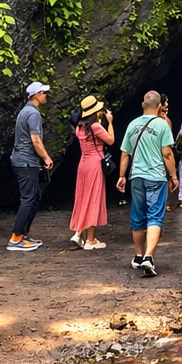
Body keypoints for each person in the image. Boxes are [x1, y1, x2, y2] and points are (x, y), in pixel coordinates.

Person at [117, 90, 177, 277]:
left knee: (137, 217)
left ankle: (138, 255)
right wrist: (173, 175)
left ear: (143, 105)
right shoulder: (161, 125)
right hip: (156, 177)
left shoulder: (132, 125)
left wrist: (121, 176)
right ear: (160, 107)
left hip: (136, 177)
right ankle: (148, 257)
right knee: (154, 216)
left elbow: (125, 153)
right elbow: (167, 153)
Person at [8, 81, 53, 251]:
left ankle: (22, 235)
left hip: (24, 160)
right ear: (35, 95)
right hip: (26, 161)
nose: (45, 95)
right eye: (43, 93)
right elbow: (35, 139)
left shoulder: (25, 112)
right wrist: (46, 158)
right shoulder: (33, 114)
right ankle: (15, 238)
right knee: (28, 199)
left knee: (35, 197)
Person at [69, 96, 114, 250]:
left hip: (83, 164)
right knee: (94, 198)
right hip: (95, 164)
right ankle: (90, 240)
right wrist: (110, 122)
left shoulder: (79, 128)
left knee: (83, 198)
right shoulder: (95, 127)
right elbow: (111, 140)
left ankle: (79, 232)